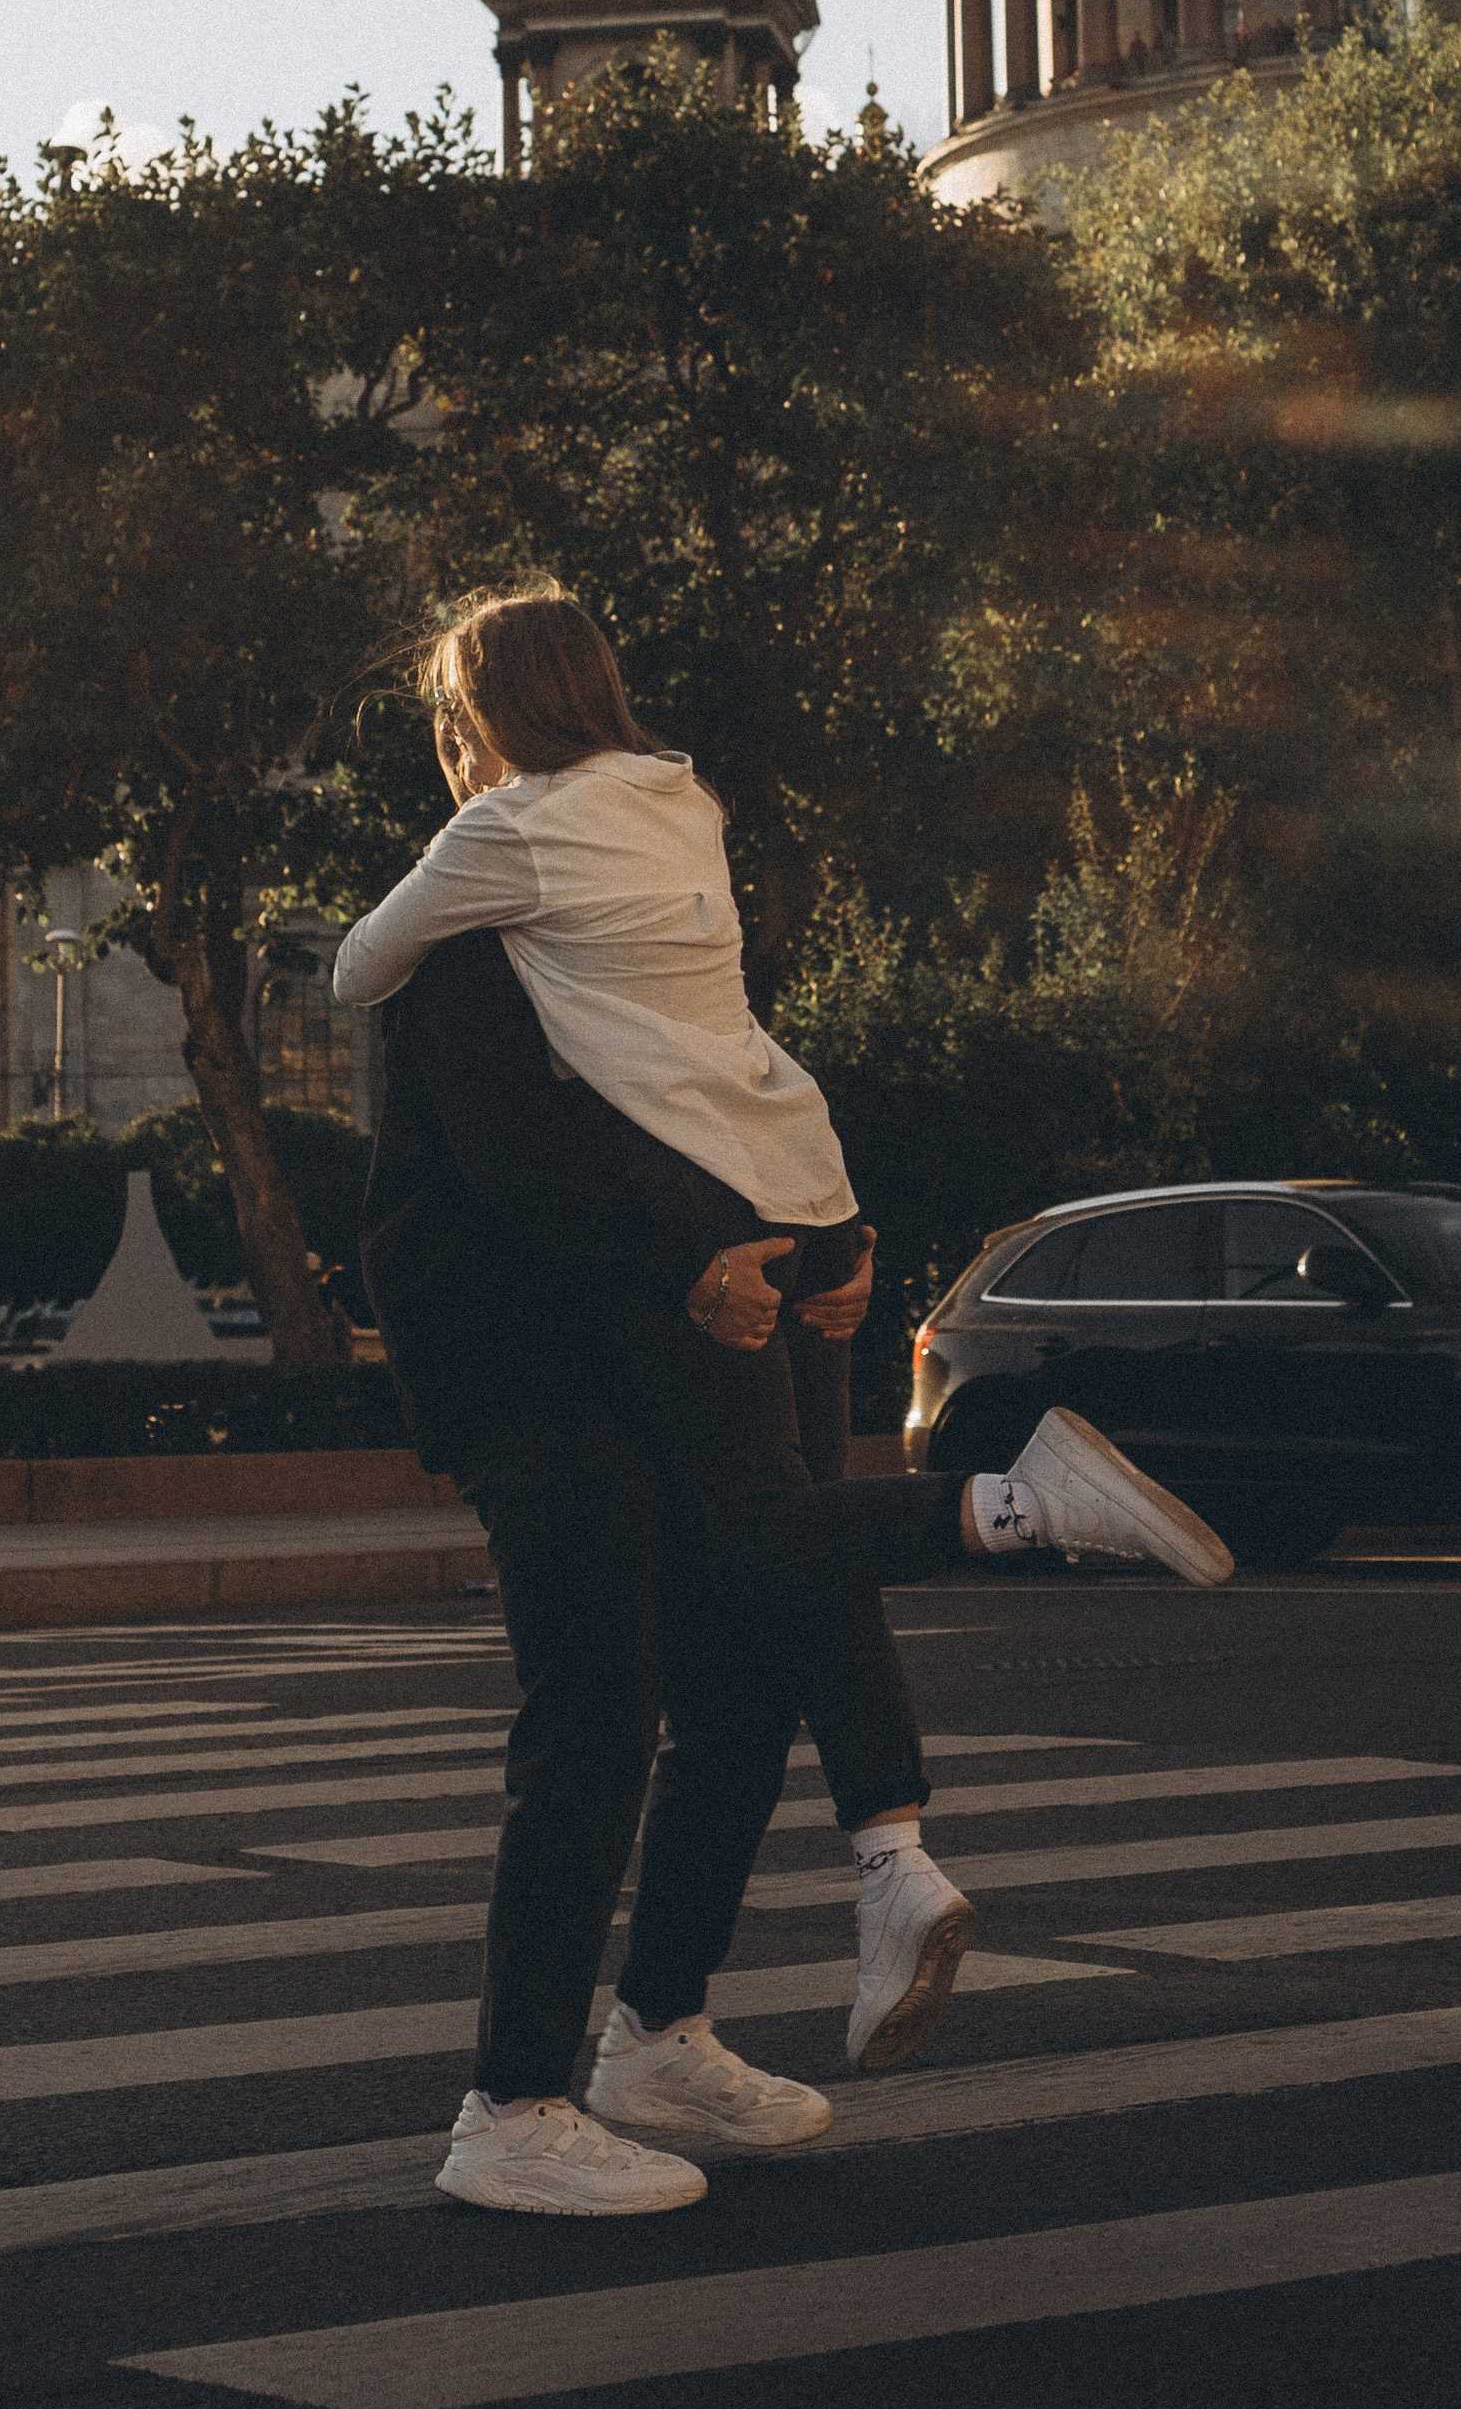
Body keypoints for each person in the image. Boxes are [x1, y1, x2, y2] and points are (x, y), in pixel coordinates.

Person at [340, 592, 1235, 2217]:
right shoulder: (471, 918)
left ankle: (658, 2033)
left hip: (629, 1337)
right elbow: (519, 1160)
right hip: (525, 1364)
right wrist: (707, 1252)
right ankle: (511, 2101)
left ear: (477, 716)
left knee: (740, 1684)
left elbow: (707, 1071)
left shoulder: (602, 869)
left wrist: (796, 1239)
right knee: (598, 1709)